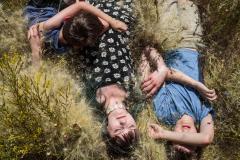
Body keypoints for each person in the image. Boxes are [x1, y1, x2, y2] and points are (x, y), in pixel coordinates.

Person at [24, 0, 138, 155]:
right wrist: (111, 21)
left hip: (43, 9)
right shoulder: (135, 97)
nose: (124, 122)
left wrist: (35, 51)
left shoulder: (89, 103)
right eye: (131, 126)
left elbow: (37, 82)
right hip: (102, 23)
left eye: (118, 129)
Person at [138, 0, 216, 154]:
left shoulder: (163, 112)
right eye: (189, 141)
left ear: (172, 138)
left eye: (180, 138)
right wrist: (196, 84)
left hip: (171, 38)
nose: (185, 134)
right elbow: (206, 138)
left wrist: (163, 71)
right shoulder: (201, 113)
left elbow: (147, 52)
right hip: (194, 43)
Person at [24, 0, 127, 65]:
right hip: (46, 8)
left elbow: (82, 6)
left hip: (39, 7)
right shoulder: (74, 43)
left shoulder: (48, 27)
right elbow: (105, 24)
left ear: (67, 18)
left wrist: (35, 50)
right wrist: (113, 21)